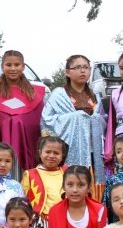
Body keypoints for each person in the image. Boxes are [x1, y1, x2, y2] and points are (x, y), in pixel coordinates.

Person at [41, 55, 105, 184]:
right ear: (67, 72)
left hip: (93, 151)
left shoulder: (94, 95)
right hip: (69, 150)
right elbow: (46, 121)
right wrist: (76, 117)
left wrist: (97, 119)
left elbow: (104, 119)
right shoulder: (58, 95)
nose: (83, 71)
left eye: (86, 67)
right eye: (77, 67)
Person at [0, 50, 46, 173]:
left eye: (17, 65)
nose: (13, 68)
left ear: (23, 66)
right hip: (1, 148)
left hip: (26, 147)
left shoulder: (34, 94)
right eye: (8, 65)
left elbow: (38, 122)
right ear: (2, 67)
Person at [21, 136, 68, 228]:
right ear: (40, 153)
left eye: (56, 153)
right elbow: (23, 201)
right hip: (41, 222)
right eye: (48, 152)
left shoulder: (67, 172)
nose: (51, 156)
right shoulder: (30, 174)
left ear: (62, 155)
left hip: (65, 219)